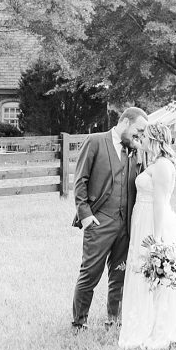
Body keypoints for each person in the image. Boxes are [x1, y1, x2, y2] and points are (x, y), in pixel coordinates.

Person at [118, 121, 176, 349]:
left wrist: (156, 240)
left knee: (156, 273)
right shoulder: (153, 162)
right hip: (142, 219)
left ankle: (162, 326)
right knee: (144, 272)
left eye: (144, 136)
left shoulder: (164, 165)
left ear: (154, 139)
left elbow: (159, 203)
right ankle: (145, 318)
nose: (141, 139)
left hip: (153, 223)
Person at [71, 107, 150, 332]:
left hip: (126, 225)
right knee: (90, 273)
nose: (140, 136)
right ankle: (79, 322)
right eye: (138, 130)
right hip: (99, 222)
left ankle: (114, 321)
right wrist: (85, 216)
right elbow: (80, 180)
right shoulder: (95, 141)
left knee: (120, 273)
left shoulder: (135, 150)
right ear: (125, 122)